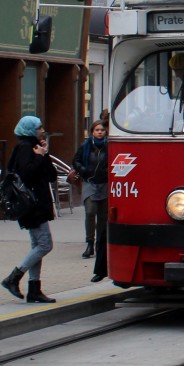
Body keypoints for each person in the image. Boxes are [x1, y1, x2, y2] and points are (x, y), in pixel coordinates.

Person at [0, 116, 58, 303]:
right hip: (32, 205)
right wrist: (39, 156)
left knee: (37, 246)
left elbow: (51, 176)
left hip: (37, 203)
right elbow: (27, 174)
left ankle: (34, 289)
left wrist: (44, 154)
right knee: (45, 245)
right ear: (30, 130)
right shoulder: (25, 148)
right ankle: (13, 277)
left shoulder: (35, 147)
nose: (42, 130)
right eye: (39, 127)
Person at [74, 119, 109, 282]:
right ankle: (89, 242)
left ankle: (99, 245)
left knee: (103, 217)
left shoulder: (109, 147)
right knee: (90, 212)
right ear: (92, 132)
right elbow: (76, 161)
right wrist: (83, 170)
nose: (100, 132)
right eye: (97, 130)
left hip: (105, 184)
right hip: (90, 183)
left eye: (102, 130)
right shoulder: (85, 146)